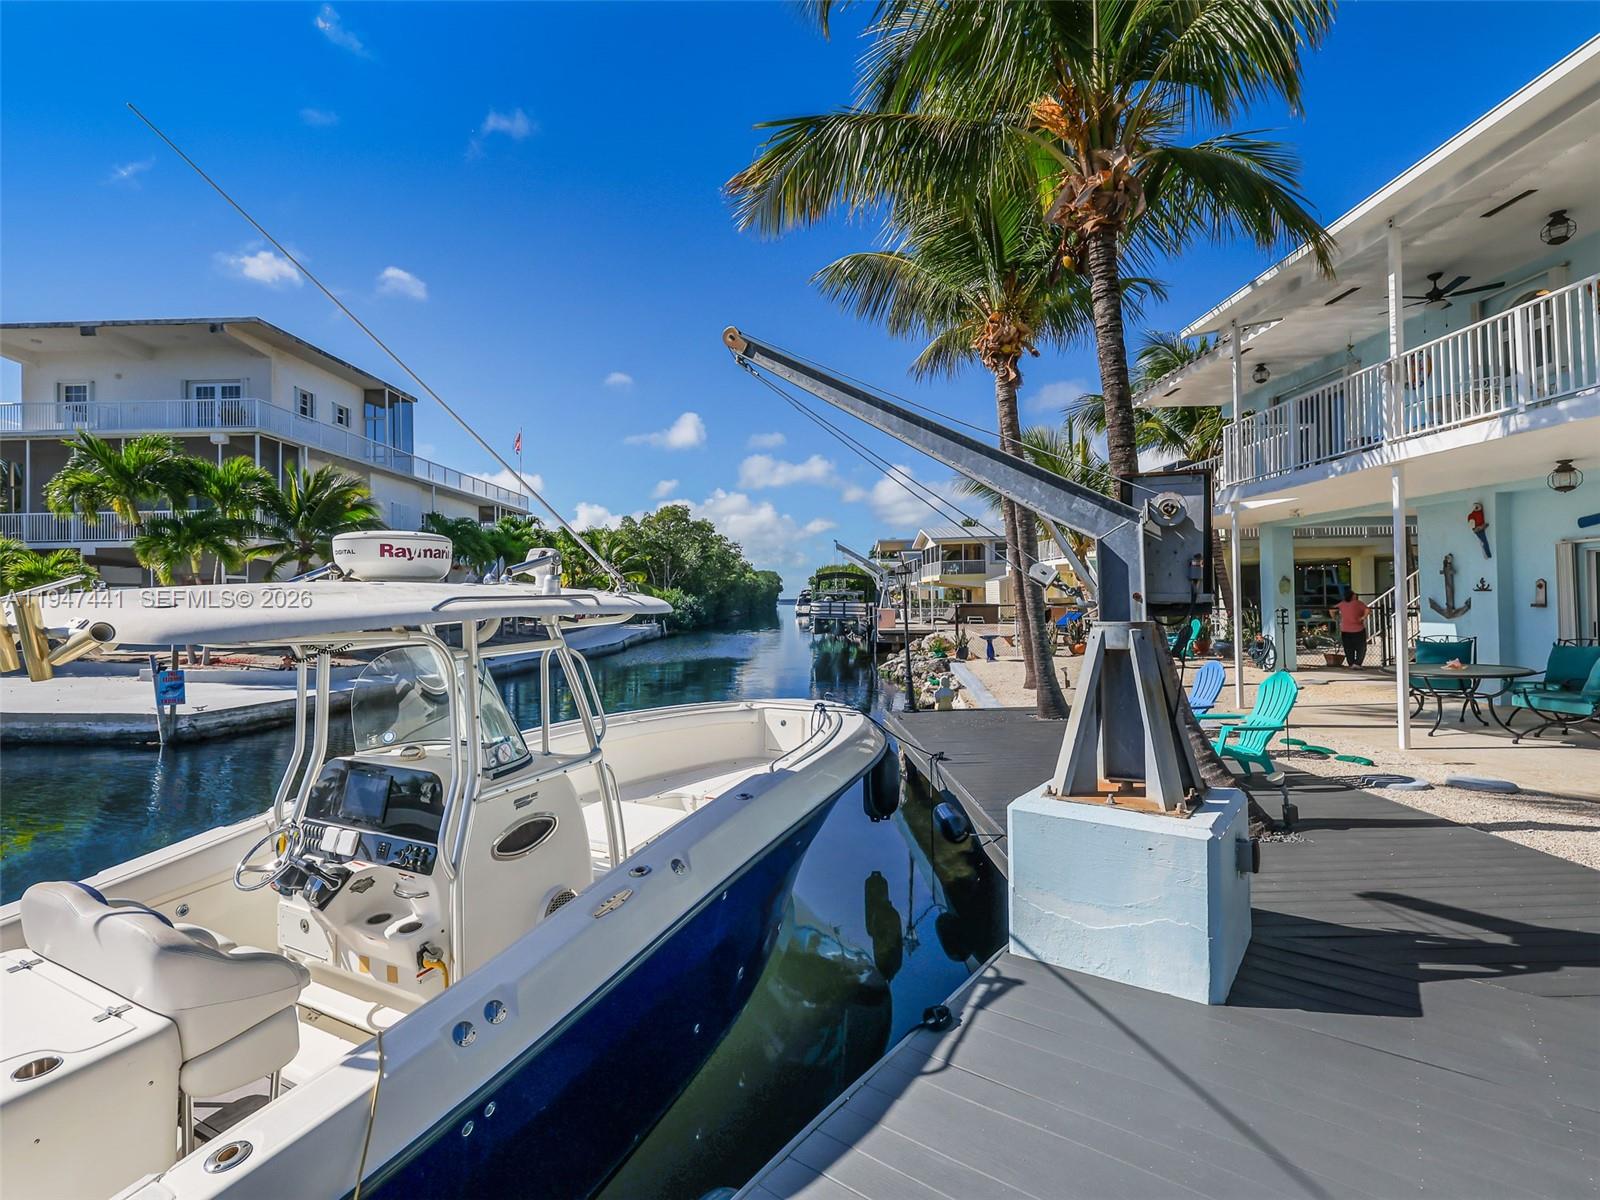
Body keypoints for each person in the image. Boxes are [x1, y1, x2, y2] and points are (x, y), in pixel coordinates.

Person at [1331, 586, 1369, 667]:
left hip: (1345, 629)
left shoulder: (1342, 604)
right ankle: (1357, 663)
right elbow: (1367, 610)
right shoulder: (1358, 603)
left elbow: (1331, 609)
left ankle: (1351, 663)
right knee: (1361, 648)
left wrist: (1334, 618)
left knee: (1348, 648)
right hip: (1358, 629)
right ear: (1353, 596)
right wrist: (1363, 617)